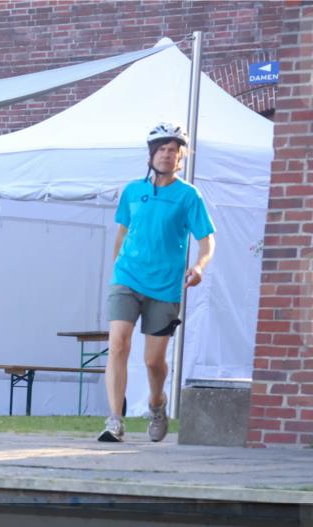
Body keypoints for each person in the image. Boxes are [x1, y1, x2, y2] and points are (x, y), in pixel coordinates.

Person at [99, 122, 216, 443]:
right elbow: (122, 231)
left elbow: (207, 240)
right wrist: (116, 270)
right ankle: (114, 420)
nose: (166, 155)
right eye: (162, 150)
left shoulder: (188, 196)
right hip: (126, 278)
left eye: (173, 151)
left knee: (153, 361)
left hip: (164, 286)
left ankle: (156, 403)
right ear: (151, 154)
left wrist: (200, 266)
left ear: (180, 159)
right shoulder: (133, 191)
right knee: (118, 343)